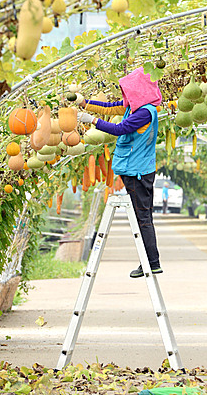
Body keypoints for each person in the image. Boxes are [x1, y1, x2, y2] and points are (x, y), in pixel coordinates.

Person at [77, 66, 163, 278]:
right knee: (143, 216)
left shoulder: (144, 113)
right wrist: (85, 104)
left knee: (142, 217)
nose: (126, 96)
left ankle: (151, 262)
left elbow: (119, 129)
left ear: (139, 90)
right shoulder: (136, 107)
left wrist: (92, 121)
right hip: (136, 168)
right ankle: (149, 261)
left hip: (137, 172)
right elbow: (110, 107)